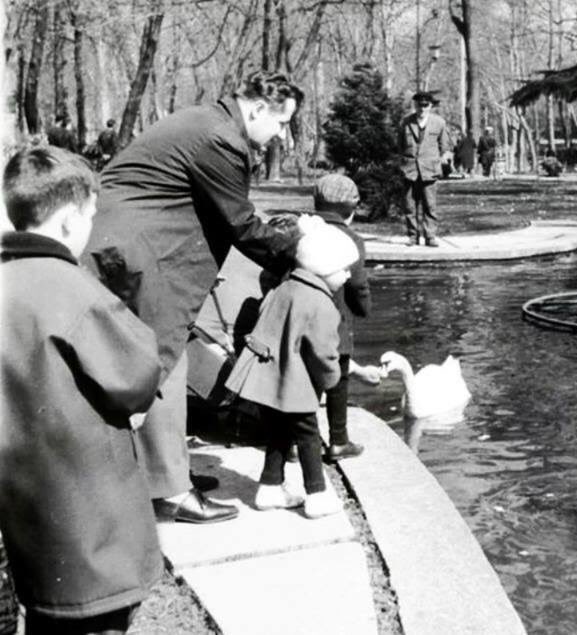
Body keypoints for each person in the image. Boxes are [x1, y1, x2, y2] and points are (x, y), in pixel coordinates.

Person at [82, 70, 316, 525]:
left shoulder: (211, 122)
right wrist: (301, 244)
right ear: (257, 109)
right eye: (282, 124)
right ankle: (170, 492)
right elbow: (242, 225)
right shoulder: (222, 140)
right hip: (136, 251)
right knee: (163, 358)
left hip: (122, 239)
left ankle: (163, 472)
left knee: (167, 355)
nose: (282, 136)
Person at [0, 147, 163, 633]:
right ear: (71, 220)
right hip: (90, 525)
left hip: (25, 512)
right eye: (92, 214)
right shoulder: (76, 291)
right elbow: (137, 378)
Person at [224, 223, 359, 518]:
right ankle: (317, 494)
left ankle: (270, 486)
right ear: (324, 269)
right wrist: (331, 379)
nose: (348, 275)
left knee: (278, 433)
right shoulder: (322, 305)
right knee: (308, 435)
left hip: (264, 381)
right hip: (293, 386)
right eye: (343, 269)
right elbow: (323, 355)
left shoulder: (283, 288)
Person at [310, 174, 381, 460]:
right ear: (351, 210)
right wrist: (364, 308)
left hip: (300, 321)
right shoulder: (351, 239)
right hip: (336, 323)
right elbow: (357, 284)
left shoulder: (303, 230)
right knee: (337, 380)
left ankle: (301, 439)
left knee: (304, 382)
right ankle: (339, 439)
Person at [398, 90, 452, 247]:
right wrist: (403, 162)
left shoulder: (439, 123)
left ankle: (430, 236)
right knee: (409, 205)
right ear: (415, 105)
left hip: (429, 170)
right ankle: (412, 236)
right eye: (419, 105)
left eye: (425, 105)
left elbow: (445, 146)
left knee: (430, 205)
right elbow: (400, 145)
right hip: (410, 169)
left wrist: (440, 160)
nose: (422, 109)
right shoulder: (405, 122)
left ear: (430, 106)